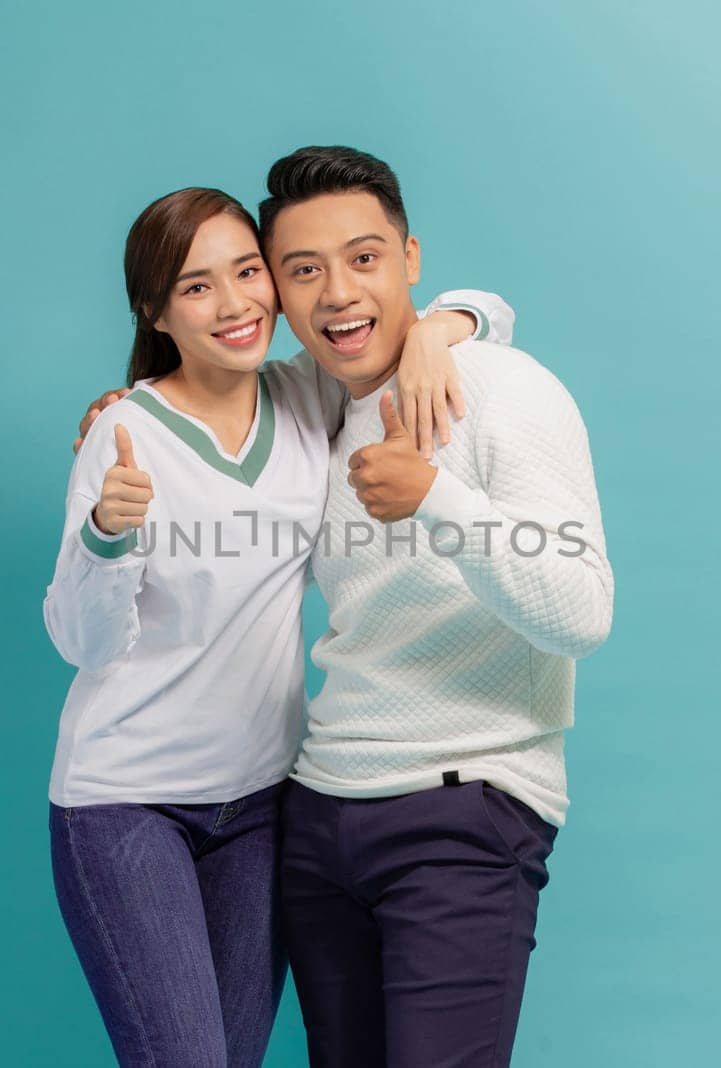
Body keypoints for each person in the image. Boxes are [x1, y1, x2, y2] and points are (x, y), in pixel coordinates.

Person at [43, 184, 513, 1068]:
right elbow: (83, 643)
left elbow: (485, 307)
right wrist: (109, 536)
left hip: (262, 805)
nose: (235, 305)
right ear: (156, 310)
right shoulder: (126, 435)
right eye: (195, 287)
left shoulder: (306, 399)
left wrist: (437, 337)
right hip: (127, 803)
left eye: (248, 272)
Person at [254, 146, 614, 1068]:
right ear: (279, 296)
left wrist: (437, 501)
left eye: (365, 259)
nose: (338, 292)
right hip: (318, 814)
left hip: (463, 810)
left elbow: (580, 610)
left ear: (410, 259)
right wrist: (119, 422)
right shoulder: (305, 409)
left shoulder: (503, 389)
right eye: (305, 270)